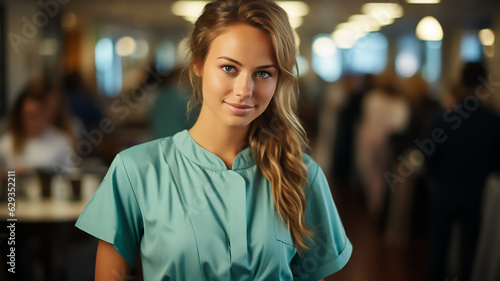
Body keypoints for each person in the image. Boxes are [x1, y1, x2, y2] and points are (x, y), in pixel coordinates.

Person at [75, 0, 352, 280]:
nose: (245, 90)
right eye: (229, 68)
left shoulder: (302, 176)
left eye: (263, 73)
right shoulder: (135, 171)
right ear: (198, 63)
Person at [425, 62, 500, 281]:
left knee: (437, 253)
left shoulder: (442, 119)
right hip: (475, 196)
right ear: (484, 85)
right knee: (469, 255)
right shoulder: (493, 122)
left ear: (460, 82)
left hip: (443, 193)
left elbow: (430, 160)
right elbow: (495, 164)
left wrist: (436, 180)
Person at [0, 78, 76, 175]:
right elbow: (7, 184)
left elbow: (70, 175)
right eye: (28, 115)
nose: (32, 121)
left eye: (36, 115)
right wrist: (10, 175)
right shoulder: (6, 143)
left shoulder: (62, 140)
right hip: (14, 189)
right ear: (19, 116)